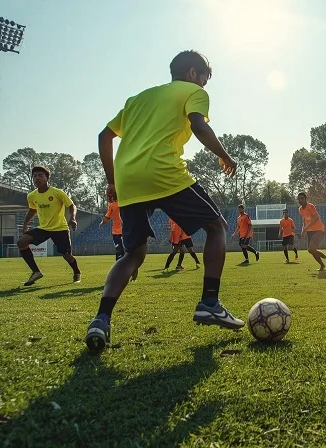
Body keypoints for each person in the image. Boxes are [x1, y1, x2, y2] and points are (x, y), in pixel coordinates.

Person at [87, 50, 244, 353]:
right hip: (163, 172)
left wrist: (112, 180)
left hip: (128, 179)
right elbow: (198, 125)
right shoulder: (194, 92)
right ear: (193, 73)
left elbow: (104, 136)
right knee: (217, 227)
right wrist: (225, 156)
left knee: (132, 255)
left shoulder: (137, 99)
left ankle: (101, 319)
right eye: (204, 79)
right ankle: (210, 302)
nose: (204, 86)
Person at [17, 166, 81, 286]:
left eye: (40, 175)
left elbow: (71, 205)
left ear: (47, 178)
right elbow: (32, 210)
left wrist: (72, 218)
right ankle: (36, 272)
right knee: (21, 242)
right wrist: (25, 224)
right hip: (44, 228)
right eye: (34, 176)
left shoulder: (57, 193)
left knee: (66, 255)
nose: (37, 178)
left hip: (60, 228)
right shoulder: (32, 196)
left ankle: (76, 272)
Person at [297, 192, 326, 271]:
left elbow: (316, 217)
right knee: (310, 250)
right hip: (310, 231)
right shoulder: (300, 209)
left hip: (318, 229)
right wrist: (303, 230)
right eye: (299, 199)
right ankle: (325, 261)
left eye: (302, 198)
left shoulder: (310, 206)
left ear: (306, 199)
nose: (300, 200)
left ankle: (325, 261)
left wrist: (306, 227)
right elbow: (304, 220)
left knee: (312, 248)